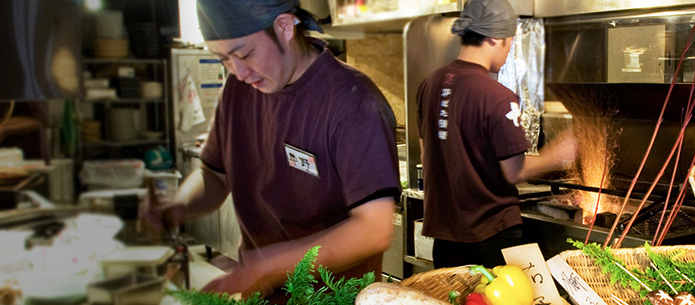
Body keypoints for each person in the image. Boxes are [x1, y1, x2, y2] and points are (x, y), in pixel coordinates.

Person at [144, 0, 400, 297]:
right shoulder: (238, 89)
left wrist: (267, 266)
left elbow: (374, 230)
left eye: (245, 54)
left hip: (333, 298)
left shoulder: (352, 102)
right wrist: (176, 207)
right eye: (224, 59)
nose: (238, 71)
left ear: (284, 26)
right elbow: (214, 176)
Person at [416, 0, 577, 268]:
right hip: (490, 234)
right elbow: (514, 172)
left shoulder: (429, 84)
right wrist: (557, 154)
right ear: (494, 38)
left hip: (445, 238)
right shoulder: (497, 96)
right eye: (510, 42)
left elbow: (427, 153)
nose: (510, 50)